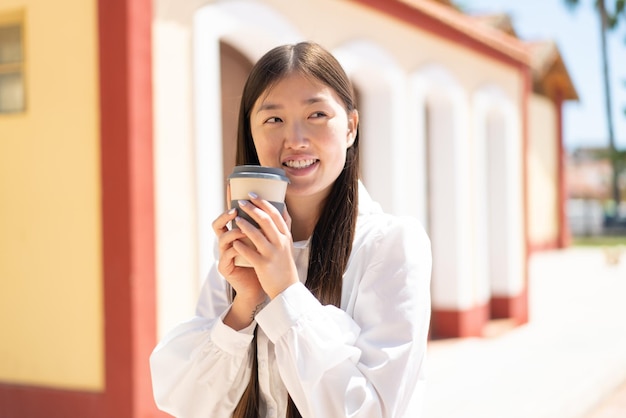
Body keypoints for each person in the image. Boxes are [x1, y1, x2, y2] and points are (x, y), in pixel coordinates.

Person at [150, 41, 432, 418]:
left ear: (350, 127)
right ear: (250, 133)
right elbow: (185, 401)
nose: (296, 140)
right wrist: (244, 305)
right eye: (273, 119)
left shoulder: (391, 245)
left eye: (317, 114)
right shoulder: (244, 247)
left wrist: (285, 291)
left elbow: (369, 409)